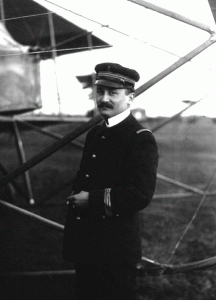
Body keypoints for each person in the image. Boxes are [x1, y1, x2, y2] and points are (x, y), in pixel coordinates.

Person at [63, 62, 159, 300]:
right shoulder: (96, 133)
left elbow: (140, 194)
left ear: (130, 98)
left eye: (113, 93)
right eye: (100, 91)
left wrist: (91, 200)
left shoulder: (140, 139)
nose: (104, 99)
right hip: (87, 242)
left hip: (115, 249)